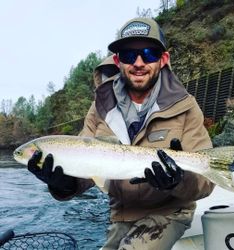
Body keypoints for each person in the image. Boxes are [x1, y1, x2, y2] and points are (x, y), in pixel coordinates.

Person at [28, 17, 215, 249]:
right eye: (128, 55)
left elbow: (206, 183)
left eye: (148, 53)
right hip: (121, 212)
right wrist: (64, 183)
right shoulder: (100, 107)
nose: (138, 62)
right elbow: (88, 167)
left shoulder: (186, 106)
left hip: (170, 210)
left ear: (163, 59)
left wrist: (176, 182)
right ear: (118, 61)